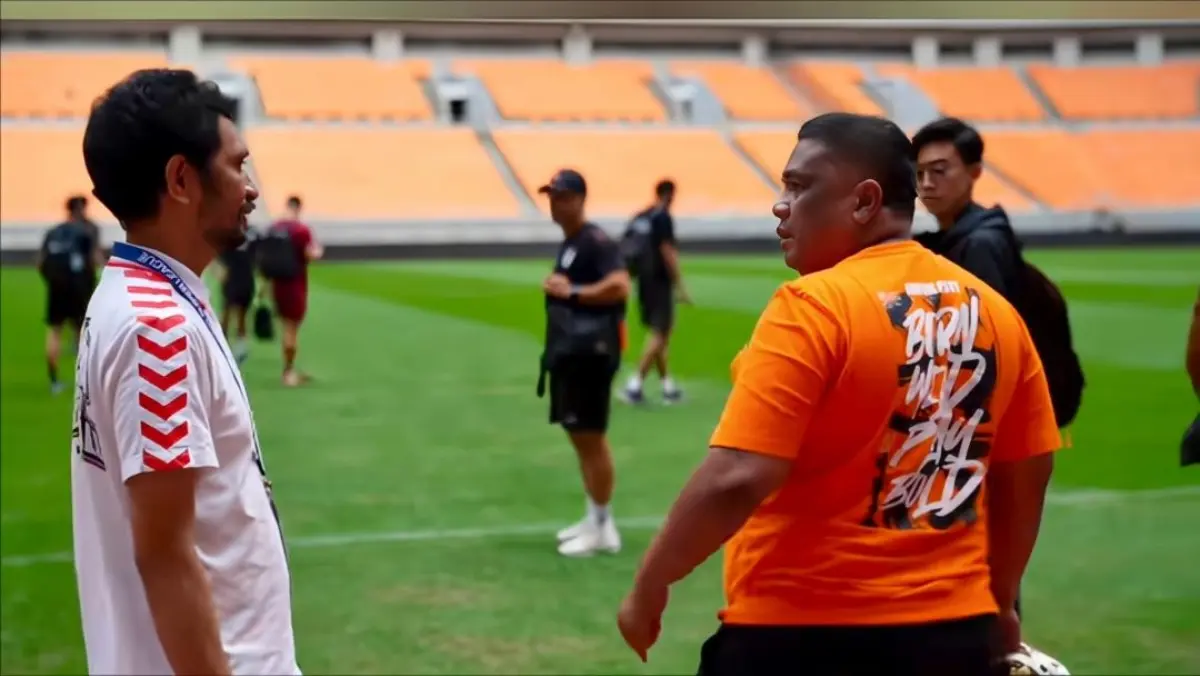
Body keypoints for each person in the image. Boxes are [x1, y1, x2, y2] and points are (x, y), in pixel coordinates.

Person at [617, 113, 1063, 676]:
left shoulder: (814, 307)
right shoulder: (996, 314)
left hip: (802, 634)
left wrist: (651, 582)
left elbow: (739, 474)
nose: (781, 204)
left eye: (800, 186)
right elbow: (1028, 471)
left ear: (864, 202)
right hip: (954, 635)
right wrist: (999, 602)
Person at [72, 68, 298, 675]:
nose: (250, 188)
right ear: (180, 179)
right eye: (235, 165)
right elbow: (166, 554)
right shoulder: (157, 329)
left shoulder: (142, 295)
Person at [537, 169, 631, 557]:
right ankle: (596, 519)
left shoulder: (595, 240)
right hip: (573, 353)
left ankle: (603, 524)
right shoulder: (572, 242)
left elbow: (620, 285)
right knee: (581, 438)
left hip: (591, 352)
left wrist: (572, 290)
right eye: (551, 197)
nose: (555, 204)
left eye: (561, 196)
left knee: (591, 438)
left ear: (578, 199)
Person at [620, 179, 690, 405]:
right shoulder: (662, 217)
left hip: (643, 280)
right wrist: (680, 286)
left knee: (658, 334)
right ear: (669, 194)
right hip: (659, 281)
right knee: (661, 333)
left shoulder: (641, 216)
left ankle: (667, 386)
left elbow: (626, 246)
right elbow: (667, 250)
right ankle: (635, 385)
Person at [36, 195, 103, 394]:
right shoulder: (87, 230)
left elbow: (40, 262)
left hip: (56, 286)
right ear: (83, 209)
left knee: (54, 330)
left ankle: (54, 380)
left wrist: (51, 281)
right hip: (80, 286)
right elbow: (95, 259)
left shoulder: (54, 232)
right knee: (83, 331)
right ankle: (85, 383)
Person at [265, 195, 322, 387]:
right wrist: (318, 251)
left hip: (277, 284)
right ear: (299, 208)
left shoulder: (275, 227)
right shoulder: (300, 230)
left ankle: (289, 369)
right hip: (295, 283)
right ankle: (288, 372)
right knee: (291, 329)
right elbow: (310, 254)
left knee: (286, 327)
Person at [216, 224, 262, 363]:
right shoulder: (228, 231)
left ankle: (240, 346)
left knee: (242, 312)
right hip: (232, 275)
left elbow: (259, 255)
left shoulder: (253, 232)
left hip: (246, 277)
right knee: (227, 311)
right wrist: (219, 269)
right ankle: (221, 344)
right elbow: (218, 253)